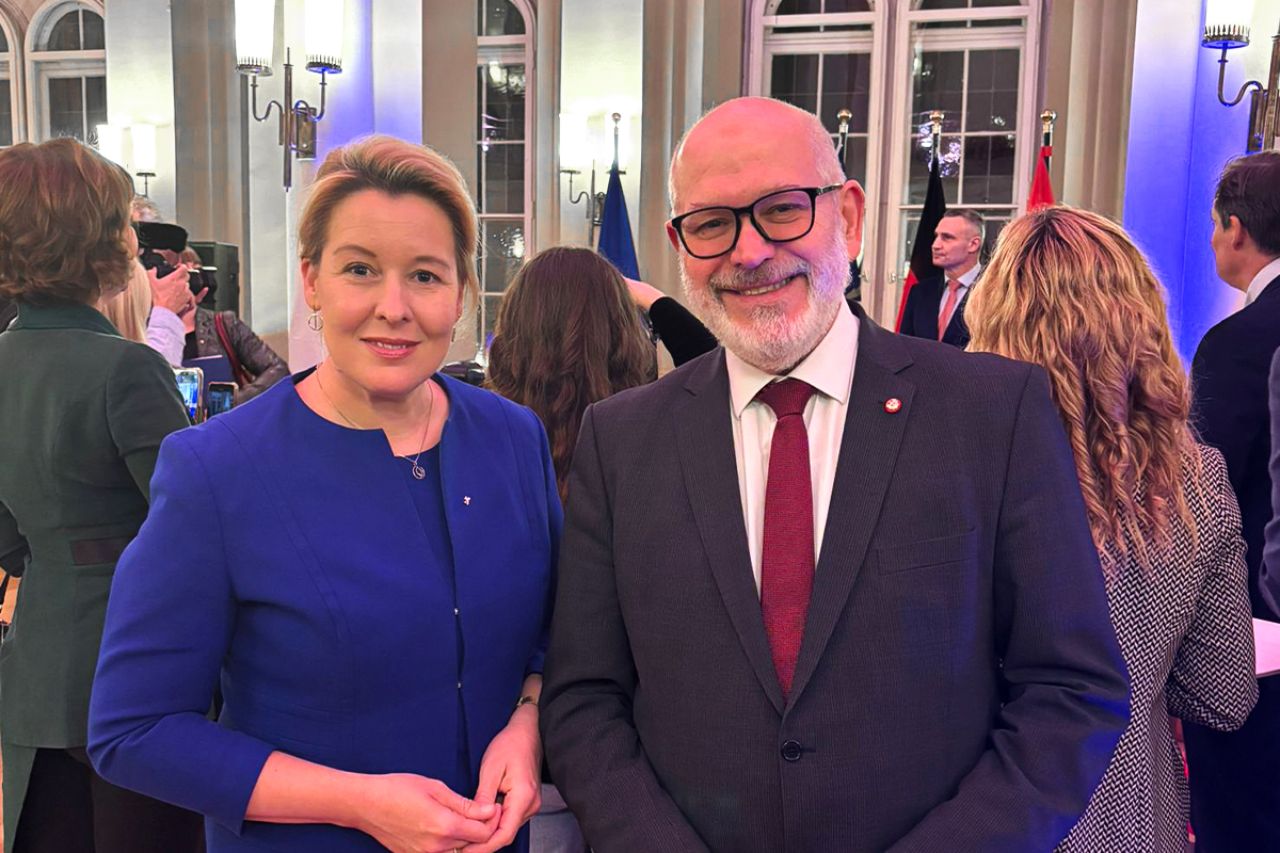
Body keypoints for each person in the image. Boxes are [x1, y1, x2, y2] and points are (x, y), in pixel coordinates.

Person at [539, 96, 1129, 852]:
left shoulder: (993, 412)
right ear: (679, 243)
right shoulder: (621, 439)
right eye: (712, 224)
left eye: (783, 210)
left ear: (848, 217)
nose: (750, 251)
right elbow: (585, 699)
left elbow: (1070, 688)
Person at [88, 135, 559, 853]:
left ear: (461, 292)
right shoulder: (218, 469)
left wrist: (529, 722)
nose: (394, 307)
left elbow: (554, 636)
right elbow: (134, 729)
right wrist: (359, 803)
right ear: (312, 281)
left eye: (425, 275)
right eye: (360, 269)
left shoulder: (513, 438)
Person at [966, 205, 1259, 852]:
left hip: (983, 821)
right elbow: (1223, 693)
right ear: (1143, 321)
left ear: (992, 321)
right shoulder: (1196, 479)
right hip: (1131, 825)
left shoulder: (952, 465)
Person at [0, 138, 200, 853]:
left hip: (36, 656)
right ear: (103, 240)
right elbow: (191, 531)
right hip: (131, 656)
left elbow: (8, 541)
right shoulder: (127, 369)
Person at [1182, 150, 1280, 852]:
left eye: (1215, 226)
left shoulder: (1240, 341)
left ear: (1235, 229)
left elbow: (1202, 496)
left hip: (1256, 628)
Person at [488, 246, 657, 502]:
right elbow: (707, 361)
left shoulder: (482, 439)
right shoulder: (653, 440)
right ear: (621, 332)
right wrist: (655, 299)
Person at [897, 208, 983, 347]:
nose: (935, 245)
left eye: (947, 237)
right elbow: (904, 347)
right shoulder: (920, 291)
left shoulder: (996, 293)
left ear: (973, 245)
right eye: (936, 236)